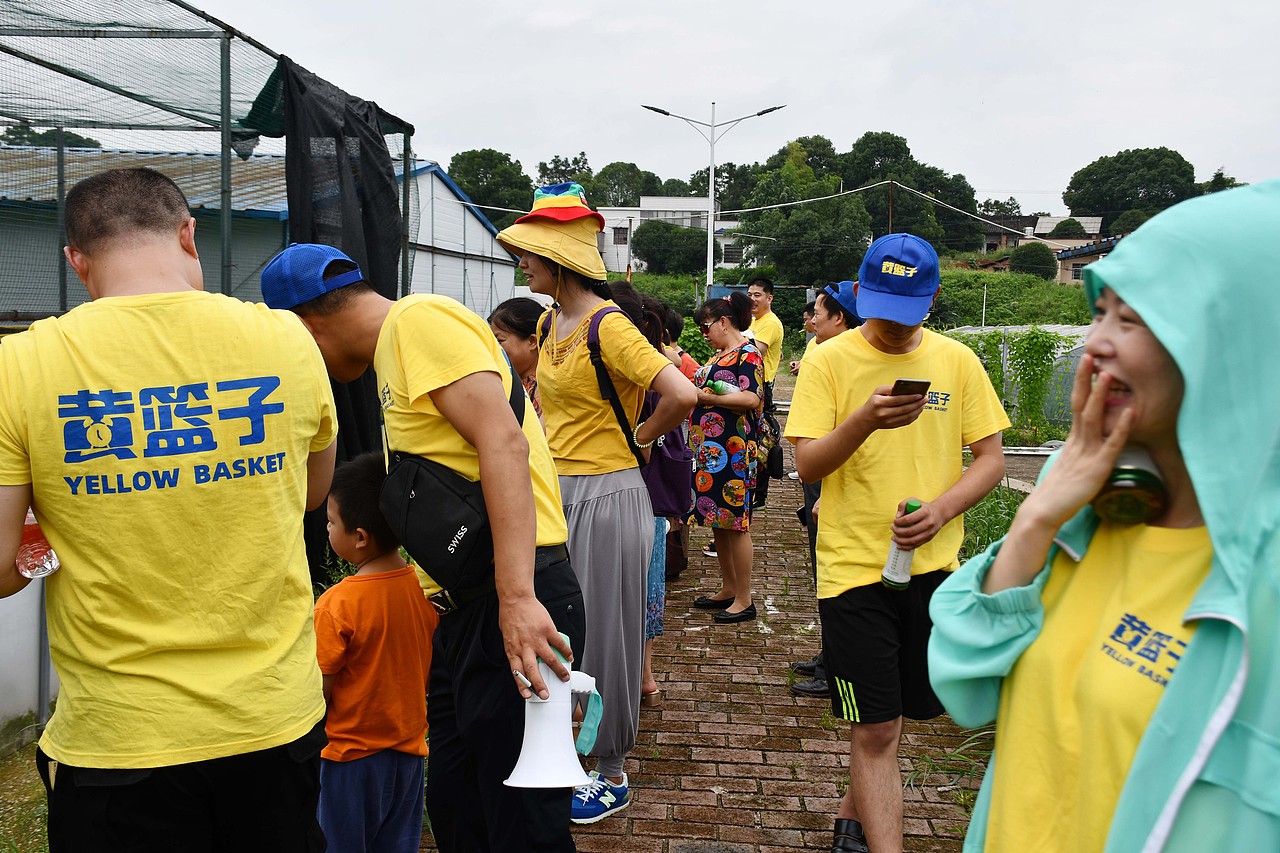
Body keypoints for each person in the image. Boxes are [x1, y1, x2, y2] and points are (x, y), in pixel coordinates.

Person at [928, 180, 1280, 852]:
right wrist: (1039, 518)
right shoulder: (1094, 516)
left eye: (1132, 320)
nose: (1095, 344)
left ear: (1233, 348)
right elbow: (965, 688)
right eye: (1099, 314)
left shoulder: (1262, 586)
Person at [0, 167, 338, 852]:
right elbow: (307, 494)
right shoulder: (286, 339)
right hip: (271, 723)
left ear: (76, 258)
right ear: (189, 233)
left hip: (120, 741)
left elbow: (2, 569)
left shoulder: (24, 363)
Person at [259, 243, 584, 853]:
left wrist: (516, 597)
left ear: (305, 326)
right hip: (467, 607)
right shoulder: (394, 356)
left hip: (510, 594)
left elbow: (503, 442)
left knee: (522, 825)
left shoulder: (418, 322)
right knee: (464, 812)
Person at [785, 233, 1009, 853]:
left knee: (897, 716)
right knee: (876, 728)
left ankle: (850, 819)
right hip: (853, 570)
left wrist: (942, 510)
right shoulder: (830, 360)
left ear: (932, 300)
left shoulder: (958, 362)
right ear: (859, 292)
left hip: (934, 569)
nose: (887, 326)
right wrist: (864, 419)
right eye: (878, 307)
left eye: (904, 312)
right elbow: (806, 466)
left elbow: (990, 458)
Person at [495, 183, 696, 824]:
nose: (524, 264)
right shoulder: (552, 322)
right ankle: (565, 749)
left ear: (559, 258)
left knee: (609, 631)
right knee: (561, 625)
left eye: (532, 254)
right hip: (559, 492)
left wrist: (639, 438)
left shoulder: (610, 325)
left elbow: (680, 394)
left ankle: (611, 768)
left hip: (611, 493)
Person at [315, 451, 439, 853]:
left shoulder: (338, 604)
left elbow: (321, 687)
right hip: (407, 752)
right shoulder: (422, 591)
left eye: (332, 522)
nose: (327, 528)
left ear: (360, 537)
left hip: (349, 757)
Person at [790, 280, 863, 702]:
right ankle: (828, 655)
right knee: (822, 570)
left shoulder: (846, 360)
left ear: (840, 317)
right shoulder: (827, 352)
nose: (811, 318)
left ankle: (837, 669)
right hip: (819, 470)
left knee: (834, 574)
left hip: (834, 475)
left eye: (818, 311)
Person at [687, 292, 765, 624]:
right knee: (719, 521)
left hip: (734, 449)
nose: (704, 334)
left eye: (706, 327)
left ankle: (745, 598)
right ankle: (729, 587)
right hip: (712, 451)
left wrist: (705, 396)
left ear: (724, 321)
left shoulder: (747, 355)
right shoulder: (722, 354)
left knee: (736, 524)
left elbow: (751, 397)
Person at [746, 277, 784, 509]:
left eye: (757, 295)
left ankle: (758, 494)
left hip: (763, 387)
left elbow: (754, 350)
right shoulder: (753, 321)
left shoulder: (770, 323)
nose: (752, 299)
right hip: (753, 384)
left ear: (769, 298)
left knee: (761, 440)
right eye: (749, 294)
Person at [489, 296, 548, 428]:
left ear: (532, 341)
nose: (494, 349)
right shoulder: (504, 382)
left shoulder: (547, 390)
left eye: (499, 341)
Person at [789, 300, 818, 376]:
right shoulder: (813, 341)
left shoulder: (826, 343)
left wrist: (803, 367)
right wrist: (798, 363)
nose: (804, 324)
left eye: (806, 320)